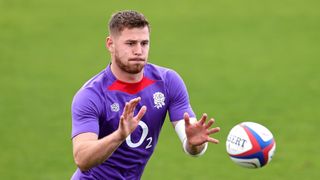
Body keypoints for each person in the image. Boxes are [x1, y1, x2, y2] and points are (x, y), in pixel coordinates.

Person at [71, 10, 220, 180]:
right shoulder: (91, 95)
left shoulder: (167, 82)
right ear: (110, 44)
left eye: (144, 43)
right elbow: (82, 158)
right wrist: (119, 135)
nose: (138, 51)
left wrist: (195, 145)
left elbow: (192, 145)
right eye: (130, 43)